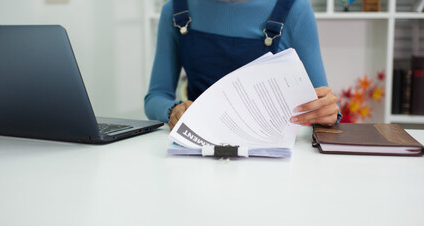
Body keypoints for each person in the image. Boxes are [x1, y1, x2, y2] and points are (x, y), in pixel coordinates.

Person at [144, 0, 341, 130]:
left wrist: (328, 111)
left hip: (270, 157)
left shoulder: (295, 9)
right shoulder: (176, 8)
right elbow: (156, 97)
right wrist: (175, 109)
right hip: (198, 150)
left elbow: (323, 103)